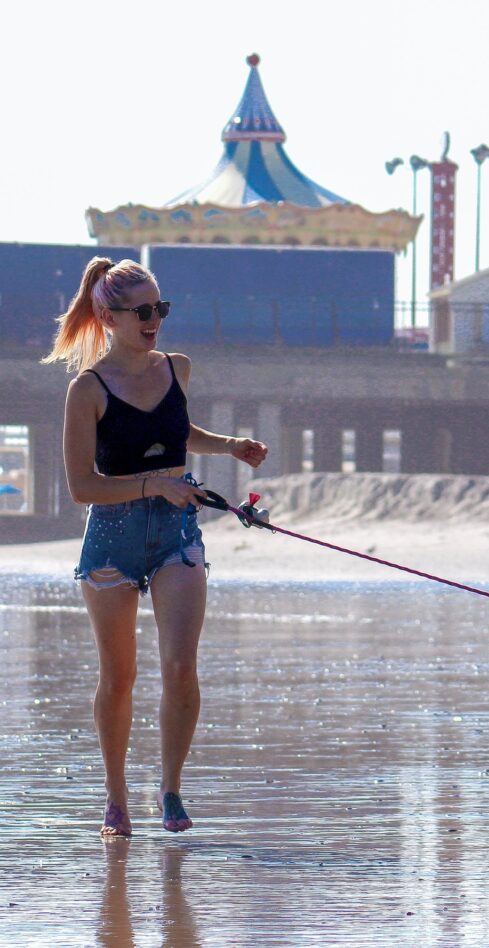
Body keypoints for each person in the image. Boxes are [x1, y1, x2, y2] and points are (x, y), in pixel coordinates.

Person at [43, 257, 268, 837]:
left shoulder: (177, 368)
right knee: (119, 677)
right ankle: (116, 798)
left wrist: (229, 446)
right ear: (107, 315)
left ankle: (170, 790)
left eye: (160, 309)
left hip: (178, 533)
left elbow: (175, 429)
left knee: (180, 666)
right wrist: (154, 484)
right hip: (111, 538)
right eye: (142, 311)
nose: (154, 321)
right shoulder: (85, 390)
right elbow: (80, 486)